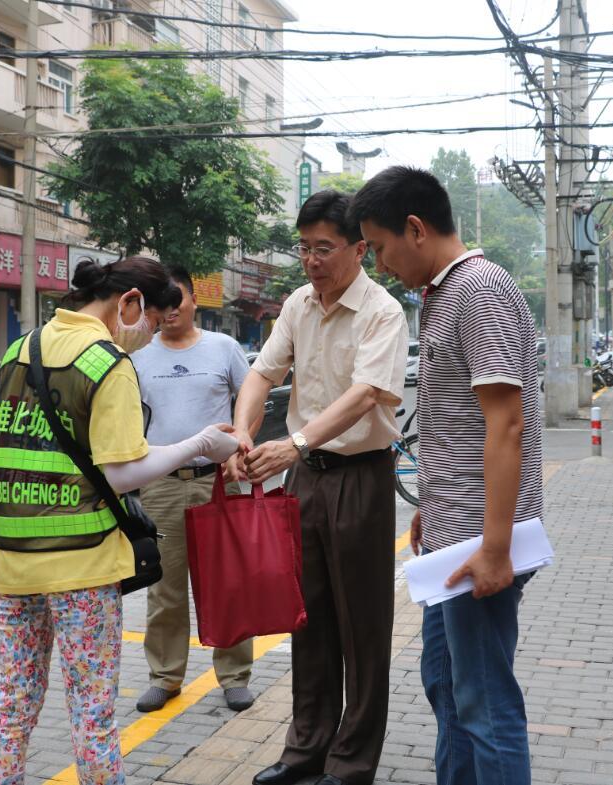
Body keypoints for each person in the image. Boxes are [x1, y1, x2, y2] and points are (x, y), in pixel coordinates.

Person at [0, 256, 240, 785]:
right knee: (91, 712)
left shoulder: (21, 349)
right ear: (130, 303)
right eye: (151, 321)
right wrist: (201, 443)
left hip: (14, 562)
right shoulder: (107, 362)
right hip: (82, 566)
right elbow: (121, 473)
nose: (148, 335)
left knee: (14, 700)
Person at [350, 166, 544, 785]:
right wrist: (429, 512)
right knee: (444, 681)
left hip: (479, 544)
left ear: (415, 228)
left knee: (485, 703)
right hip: (451, 534)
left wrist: (495, 547)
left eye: (380, 247)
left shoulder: (479, 290)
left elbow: (506, 424)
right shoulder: (444, 294)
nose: (380, 264)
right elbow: (453, 425)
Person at [230, 190, 409, 785]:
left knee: (363, 626)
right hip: (305, 480)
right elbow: (262, 373)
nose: (311, 260)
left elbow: (366, 395)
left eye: (324, 248)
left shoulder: (383, 311)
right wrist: (242, 433)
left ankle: (351, 761)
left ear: (359, 249)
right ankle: (305, 747)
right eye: (304, 247)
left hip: (360, 477)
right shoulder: (298, 304)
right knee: (305, 616)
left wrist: (297, 443)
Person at [131, 266, 256, 714]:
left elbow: (250, 400)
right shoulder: (138, 355)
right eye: (159, 304)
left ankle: (235, 676)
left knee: (227, 582)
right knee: (163, 587)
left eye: (176, 300)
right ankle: (164, 677)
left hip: (218, 481)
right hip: (161, 485)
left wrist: (242, 441)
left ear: (193, 299)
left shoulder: (223, 348)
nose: (169, 311)